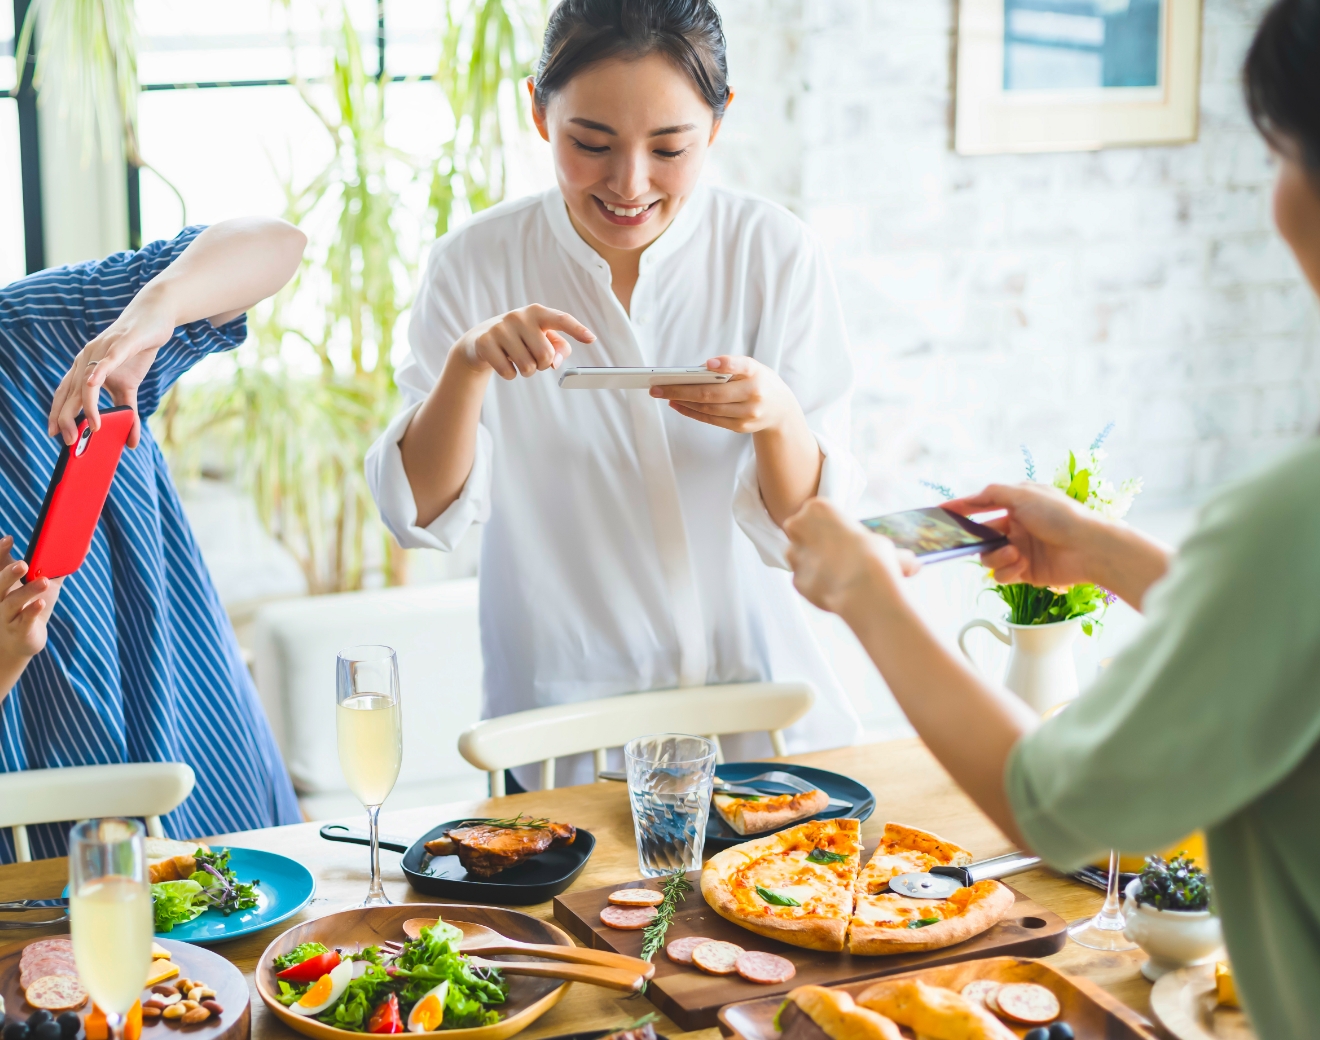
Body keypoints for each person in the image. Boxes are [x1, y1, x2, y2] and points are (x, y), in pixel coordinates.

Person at [781, 1, 1320, 1034]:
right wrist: (1107, 551)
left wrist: (866, 595)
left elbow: (1061, 806)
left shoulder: (1291, 517)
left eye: (1282, 153)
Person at [367, 0, 865, 786]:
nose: (629, 183)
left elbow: (812, 533)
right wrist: (467, 368)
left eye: (670, 148)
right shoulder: (474, 263)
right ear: (539, 113)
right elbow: (419, 514)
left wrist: (777, 419)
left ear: (719, 121)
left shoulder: (773, 252)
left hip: (770, 728)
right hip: (564, 740)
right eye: (591, 144)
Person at [0, 218, 306, 861]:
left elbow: (277, 244)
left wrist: (156, 309)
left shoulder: (41, 327)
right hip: (36, 848)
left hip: (197, 748)